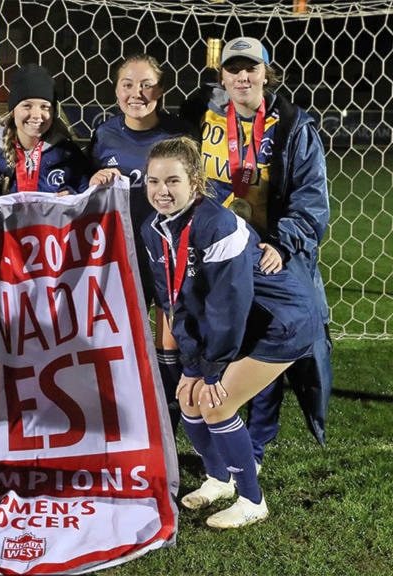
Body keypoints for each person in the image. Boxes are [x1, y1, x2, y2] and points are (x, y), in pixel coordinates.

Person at [141, 136, 323, 528]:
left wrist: (211, 369)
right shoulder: (152, 229)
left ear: (194, 182)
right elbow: (175, 302)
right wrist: (191, 366)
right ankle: (218, 478)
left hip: (281, 323)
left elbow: (229, 305)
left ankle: (252, 500)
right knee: (187, 398)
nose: (161, 191)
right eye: (153, 181)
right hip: (241, 324)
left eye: (172, 181)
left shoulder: (219, 224)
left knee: (215, 403)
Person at [180, 37, 332, 467]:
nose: (242, 76)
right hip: (214, 254)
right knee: (217, 340)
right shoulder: (199, 116)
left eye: (251, 68)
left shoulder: (294, 126)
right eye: (234, 69)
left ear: (267, 73)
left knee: (267, 348)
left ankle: (257, 448)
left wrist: (282, 245)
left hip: (266, 254)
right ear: (221, 76)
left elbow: (311, 200)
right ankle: (215, 437)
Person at [87, 54, 189, 432]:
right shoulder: (103, 135)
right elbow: (85, 196)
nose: (137, 93)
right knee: (116, 341)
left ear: (160, 90)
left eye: (146, 84)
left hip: (168, 255)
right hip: (119, 257)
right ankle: (121, 421)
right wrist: (94, 178)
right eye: (128, 84)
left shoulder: (180, 135)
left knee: (170, 343)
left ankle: (175, 420)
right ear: (116, 89)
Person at [0, 63, 90, 209]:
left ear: (53, 113)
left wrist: (74, 198)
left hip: (52, 231)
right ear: (13, 111)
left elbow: (88, 199)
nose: (36, 115)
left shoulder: (69, 156)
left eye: (44, 107)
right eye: (27, 106)